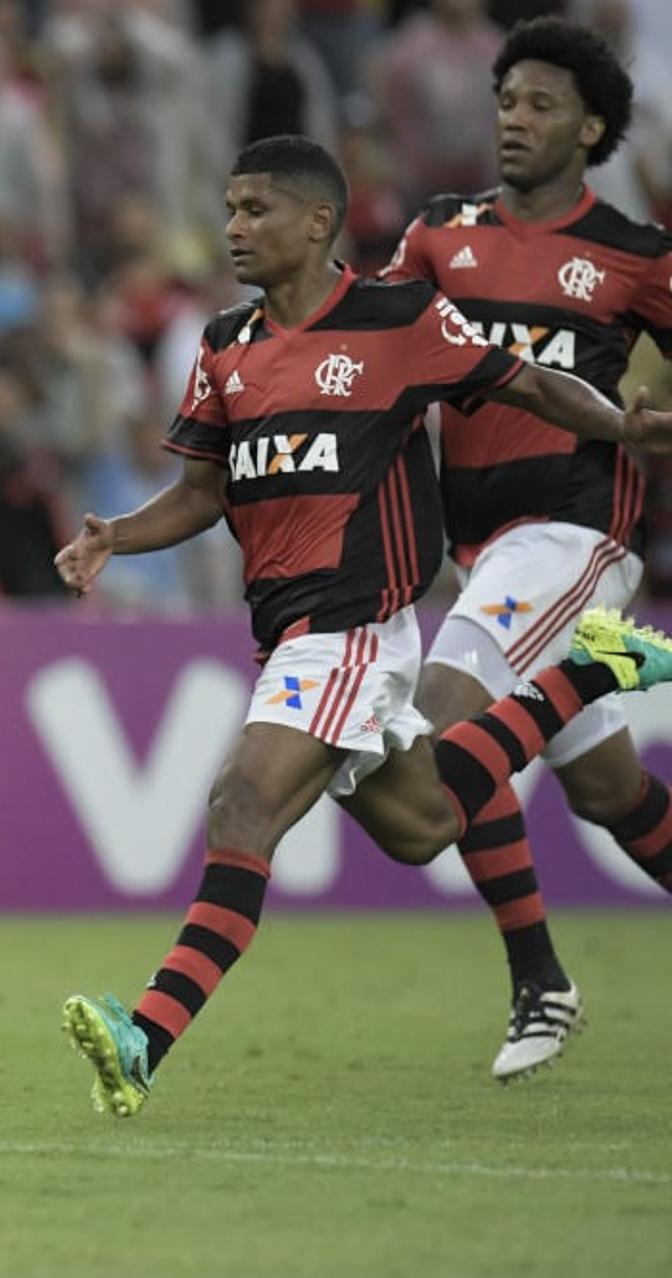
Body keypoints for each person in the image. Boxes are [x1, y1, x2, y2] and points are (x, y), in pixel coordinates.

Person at [53, 136, 672, 1119]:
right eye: (229, 208)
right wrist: (114, 538)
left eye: (256, 209)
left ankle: (145, 1037)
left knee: (240, 806)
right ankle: (591, 674)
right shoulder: (225, 346)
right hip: (289, 631)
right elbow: (202, 492)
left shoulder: (398, 320)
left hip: (356, 625)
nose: (235, 227)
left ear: (318, 222)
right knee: (422, 826)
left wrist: (619, 426)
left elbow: (530, 383)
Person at [379, 17, 672, 1081]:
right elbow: (372, 354)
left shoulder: (637, 255)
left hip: (574, 535)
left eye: (541, 105)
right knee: (607, 794)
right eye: (506, 100)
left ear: (592, 127)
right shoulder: (436, 237)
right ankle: (545, 983)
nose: (514, 118)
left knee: (439, 732)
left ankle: (539, 980)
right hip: (478, 546)